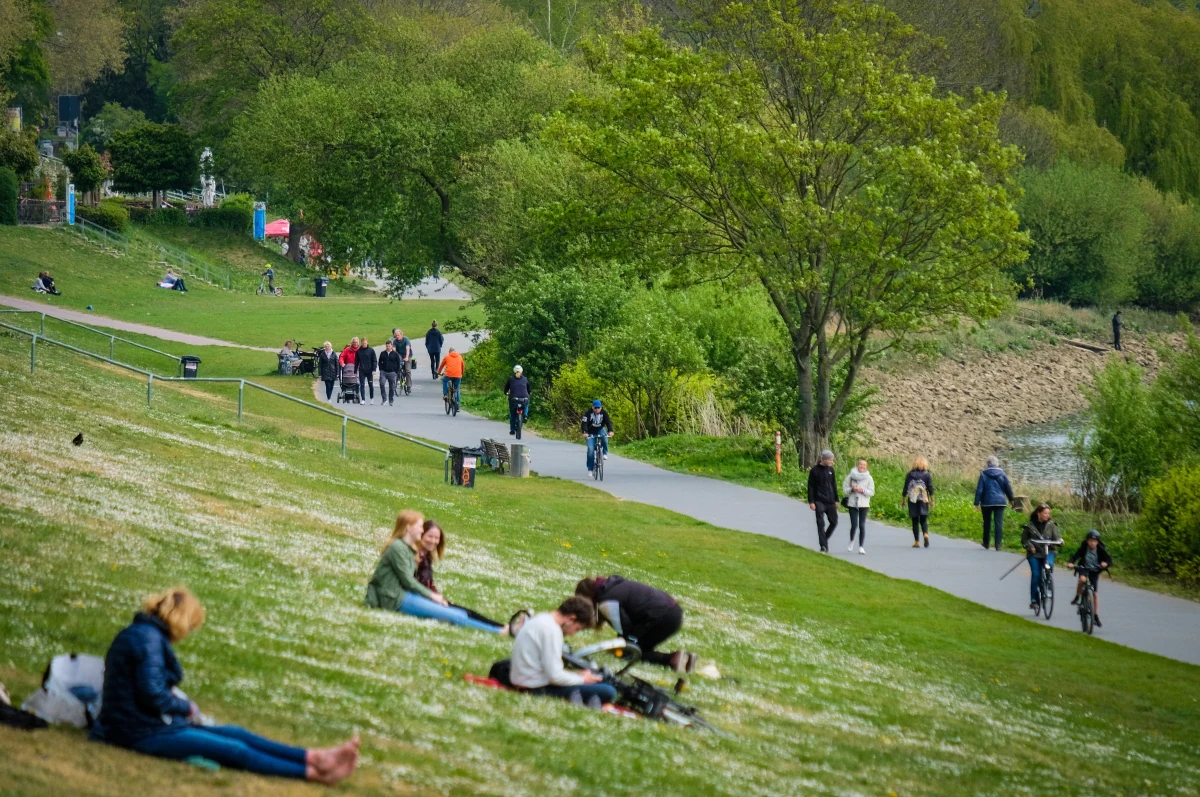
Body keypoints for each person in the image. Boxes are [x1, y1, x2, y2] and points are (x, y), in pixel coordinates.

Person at [90, 588, 359, 784]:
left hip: (147, 723)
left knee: (236, 732)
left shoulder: (143, 635)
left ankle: (313, 756)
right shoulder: (148, 641)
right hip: (137, 732)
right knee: (234, 749)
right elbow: (153, 695)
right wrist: (186, 706)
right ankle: (313, 773)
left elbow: (148, 690)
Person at [364, 510, 501, 633]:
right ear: (408, 528)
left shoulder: (407, 549)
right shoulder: (398, 548)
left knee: (461, 614)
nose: (421, 530)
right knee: (457, 616)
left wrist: (435, 596)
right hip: (394, 599)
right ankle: (498, 632)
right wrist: (432, 596)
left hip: (403, 595)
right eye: (419, 527)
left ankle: (496, 628)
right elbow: (408, 581)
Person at [415, 520, 519, 636]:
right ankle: (502, 630)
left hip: (431, 599)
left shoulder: (426, 557)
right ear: (421, 535)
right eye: (430, 536)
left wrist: (439, 597)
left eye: (436, 538)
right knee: (462, 614)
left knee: (468, 612)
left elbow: (430, 583)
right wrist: (433, 598)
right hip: (423, 601)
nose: (433, 541)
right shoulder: (416, 557)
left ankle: (504, 627)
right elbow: (413, 584)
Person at [509, 597, 617, 707]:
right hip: (535, 688)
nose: (572, 634)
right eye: (577, 629)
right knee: (608, 690)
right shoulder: (551, 630)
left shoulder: (541, 618)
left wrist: (576, 676)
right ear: (571, 619)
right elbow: (555, 676)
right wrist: (582, 679)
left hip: (525, 680)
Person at [575, 575, 695, 672]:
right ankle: (678, 659)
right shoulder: (611, 586)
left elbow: (625, 629)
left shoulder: (606, 601)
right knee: (636, 647)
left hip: (662, 618)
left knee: (630, 652)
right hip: (673, 611)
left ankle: (672, 660)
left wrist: (620, 646)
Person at [1068, 529, 1112, 628]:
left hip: (1095, 570)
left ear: (1097, 542)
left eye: (1094, 541)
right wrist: (1071, 563)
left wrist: (1105, 563)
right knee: (1082, 580)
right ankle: (1077, 596)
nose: (1092, 543)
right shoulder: (1084, 548)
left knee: (1095, 594)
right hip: (1084, 568)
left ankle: (1095, 615)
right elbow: (1075, 556)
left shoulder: (1100, 549)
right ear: (1087, 541)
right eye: (1090, 541)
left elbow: (1108, 560)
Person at [1020, 503, 1060, 610]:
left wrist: (1059, 542)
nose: (1047, 515)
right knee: (1036, 575)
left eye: (1048, 513)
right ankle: (1034, 600)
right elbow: (1024, 540)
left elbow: (1057, 538)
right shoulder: (1030, 526)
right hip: (1035, 554)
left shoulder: (1052, 525)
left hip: (1048, 552)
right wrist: (1030, 546)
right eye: (1044, 513)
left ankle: (1046, 584)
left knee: (1049, 566)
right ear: (1039, 513)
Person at [974, 455, 1014, 550]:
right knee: (998, 523)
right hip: (1000, 501)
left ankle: (986, 543)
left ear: (988, 464)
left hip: (986, 502)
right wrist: (1011, 499)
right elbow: (1008, 488)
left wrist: (976, 503)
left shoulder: (983, 474)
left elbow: (980, 490)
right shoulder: (1003, 474)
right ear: (997, 463)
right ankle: (998, 545)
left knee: (987, 522)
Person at [806, 450, 839, 552]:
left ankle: (824, 538)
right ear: (823, 459)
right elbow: (810, 487)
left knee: (834, 522)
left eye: (832, 460)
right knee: (821, 523)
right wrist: (811, 501)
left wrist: (836, 499)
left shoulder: (831, 470)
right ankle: (823, 546)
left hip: (830, 501)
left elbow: (834, 485)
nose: (831, 462)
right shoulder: (815, 471)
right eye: (830, 460)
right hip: (819, 500)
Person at [842, 459, 874, 555]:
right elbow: (845, 489)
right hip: (853, 503)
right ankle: (851, 541)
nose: (862, 466)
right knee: (854, 525)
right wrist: (852, 489)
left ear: (866, 467)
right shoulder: (851, 476)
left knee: (862, 525)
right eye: (860, 464)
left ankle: (861, 547)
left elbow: (872, 492)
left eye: (864, 465)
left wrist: (862, 490)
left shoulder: (869, 478)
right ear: (857, 465)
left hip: (864, 504)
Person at [903, 456, 935, 548]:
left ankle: (917, 541)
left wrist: (903, 500)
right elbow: (930, 488)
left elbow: (905, 487)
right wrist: (932, 500)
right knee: (923, 520)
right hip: (923, 499)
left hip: (913, 499)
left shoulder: (910, 474)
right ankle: (925, 534)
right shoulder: (927, 474)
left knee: (915, 520)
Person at [580, 399, 613, 476]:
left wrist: (610, 430)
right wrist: (585, 432)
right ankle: (590, 469)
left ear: (601, 408)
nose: (597, 409)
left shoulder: (604, 413)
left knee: (604, 438)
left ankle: (604, 453)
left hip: (600, 430)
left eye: (598, 408)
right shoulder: (588, 413)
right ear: (592, 407)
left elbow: (608, 422)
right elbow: (584, 423)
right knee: (591, 450)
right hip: (590, 432)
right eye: (595, 408)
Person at [504, 365, 530, 436]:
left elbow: (506, 388)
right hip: (524, 398)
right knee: (526, 404)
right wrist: (528, 394)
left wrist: (506, 393)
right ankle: (525, 415)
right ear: (522, 371)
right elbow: (529, 389)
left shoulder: (511, 379)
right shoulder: (525, 379)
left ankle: (512, 430)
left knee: (512, 414)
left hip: (514, 399)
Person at [378, 340, 402, 406]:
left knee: (392, 387)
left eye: (389, 346)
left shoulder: (395, 354)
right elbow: (380, 361)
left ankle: (391, 400)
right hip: (384, 371)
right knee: (382, 383)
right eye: (387, 346)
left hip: (392, 372)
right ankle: (384, 398)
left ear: (391, 346)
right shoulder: (383, 353)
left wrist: (396, 371)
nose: (388, 347)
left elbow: (398, 363)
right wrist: (381, 369)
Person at [356, 337, 377, 404]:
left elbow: (374, 360)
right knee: (362, 384)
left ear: (367, 343)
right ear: (361, 343)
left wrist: (374, 369)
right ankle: (363, 399)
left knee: (370, 384)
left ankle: (371, 398)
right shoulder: (359, 351)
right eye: (363, 343)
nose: (364, 344)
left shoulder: (371, 350)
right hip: (362, 370)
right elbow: (356, 361)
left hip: (369, 370)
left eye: (365, 343)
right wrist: (355, 370)